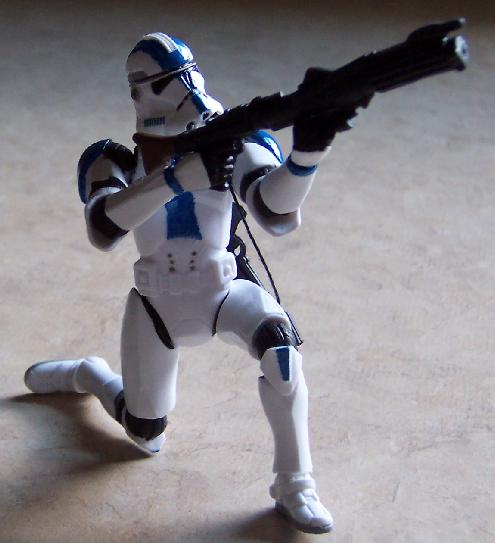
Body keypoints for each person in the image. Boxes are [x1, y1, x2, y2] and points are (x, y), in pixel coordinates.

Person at [25, 32, 355, 534]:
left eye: (187, 76)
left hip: (224, 290)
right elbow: (104, 227)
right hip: (157, 304)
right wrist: (174, 180)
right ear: (140, 94)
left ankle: (295, 483)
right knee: (145, 435)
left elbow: (274, 209)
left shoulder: (232, 144)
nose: (187, 93)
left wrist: (306, 155)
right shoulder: (113, 161)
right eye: (168, 83)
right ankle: (91, 375)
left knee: (282, 354)